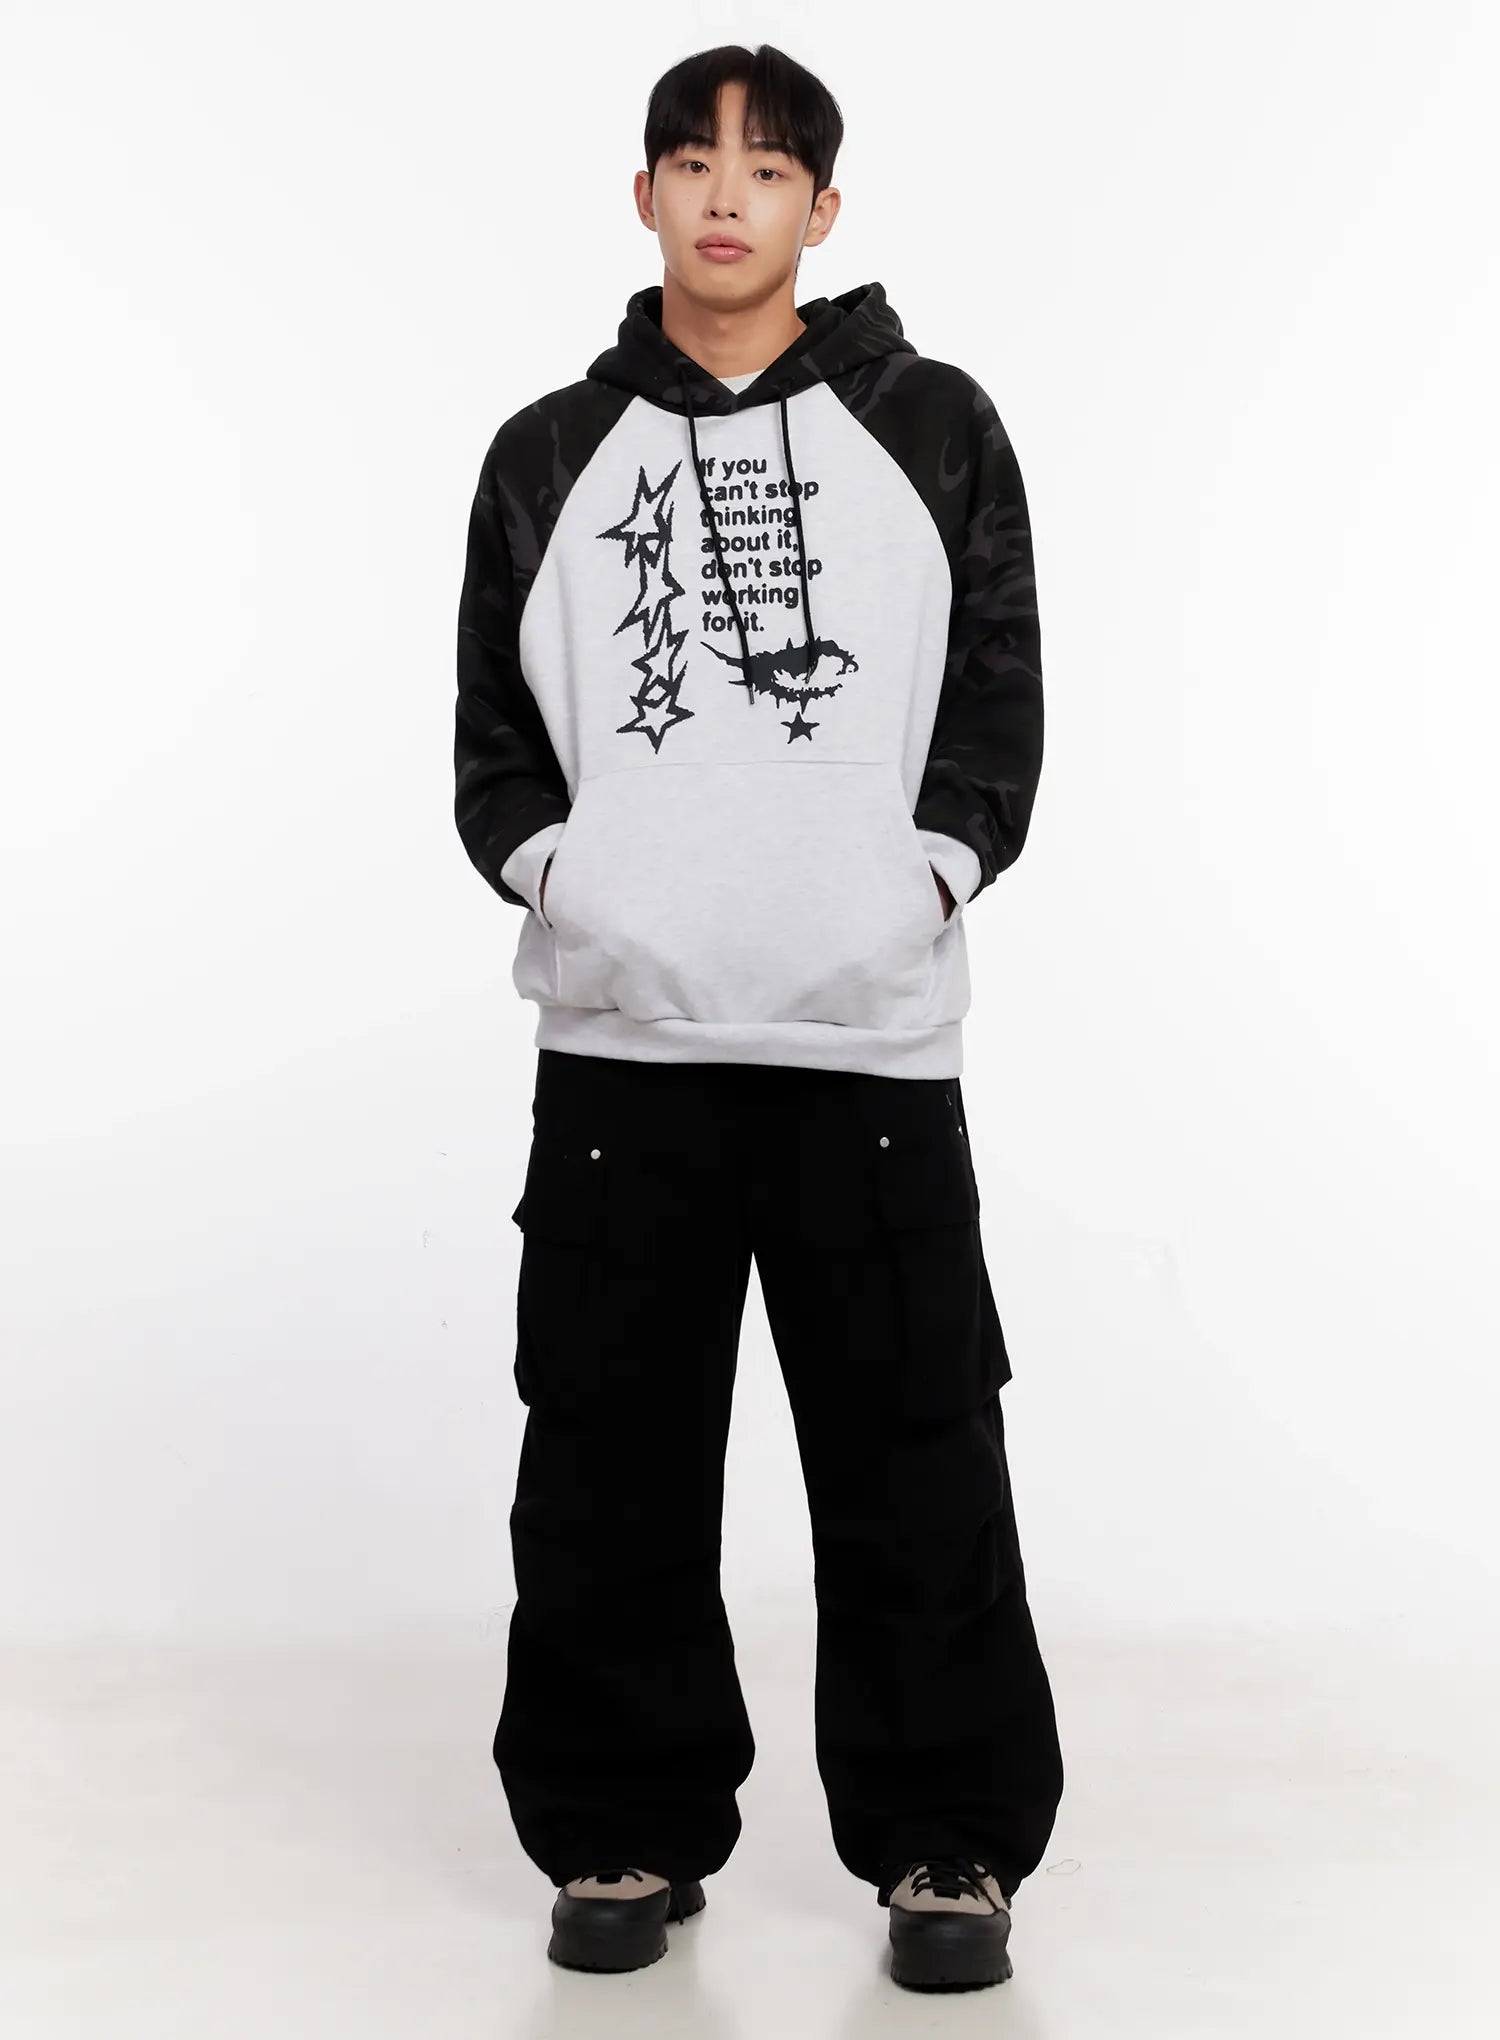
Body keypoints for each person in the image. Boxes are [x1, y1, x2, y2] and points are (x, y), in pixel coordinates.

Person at [453, 40, 1064, 1995]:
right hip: (623, 1050)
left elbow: (996, 701)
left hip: (866, 1047)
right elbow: (493, 749)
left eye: (771, 166)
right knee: (608, 1458)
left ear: (823, 207)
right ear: (644, 197)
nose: (729, 195)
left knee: (917, 1454)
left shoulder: (934, 426)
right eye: (695, 163)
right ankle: (620, 1828)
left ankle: (948, 1846)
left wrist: (922, 884)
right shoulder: (548, 452)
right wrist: (579, 887)